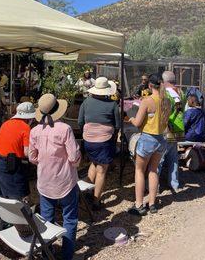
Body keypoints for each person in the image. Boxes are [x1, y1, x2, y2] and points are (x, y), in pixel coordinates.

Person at [29, 94, 81, 260]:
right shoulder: (64, 129)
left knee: (46, 220)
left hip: (45, 181)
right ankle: (66, 255)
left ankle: (47, 253)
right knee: (70, 219)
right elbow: (73, 157)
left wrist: (44, 162)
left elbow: (32, 157)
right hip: (65, 181)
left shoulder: (35, 131)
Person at [129, 74, 171, 215]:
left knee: (139, 171)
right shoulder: (167, 100)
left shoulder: (147, 101)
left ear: (150, 85)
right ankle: (152, 203)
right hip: (161, 139)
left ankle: (139, 204)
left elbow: (138, 123)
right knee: (153, 171)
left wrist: (131, 118)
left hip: (147, 139)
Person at [78, 77, 120, 210]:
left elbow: (80, 122)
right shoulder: (113, 104)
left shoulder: (86, 102)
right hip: (104, 140)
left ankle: (85, 194)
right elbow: (117, 125)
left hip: (88, 140)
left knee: (94, 163)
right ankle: (96, 202)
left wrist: (87, 133)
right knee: (101, 170)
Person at [0, 102, 35, 200]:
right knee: (21, 197)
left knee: (1, 197)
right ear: (29, 118)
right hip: (11, 166)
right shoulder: (26, 128)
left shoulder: (5, 124)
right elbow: (27, 153)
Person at [159, 70, 185, 193]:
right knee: (173, 157)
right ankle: (174, 183)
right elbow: (181, 109)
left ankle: (155, 186)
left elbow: (163, 113)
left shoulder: (165, 94)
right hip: (178, 129)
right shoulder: (181, 92)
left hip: (167, 129)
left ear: (164, 82)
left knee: (160, 158)